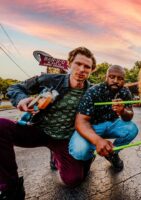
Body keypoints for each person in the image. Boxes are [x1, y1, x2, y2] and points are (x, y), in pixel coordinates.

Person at [0, 47, 96, 199]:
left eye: (87, 67)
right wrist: (21, 99)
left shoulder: (92, 91)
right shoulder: (50, 79)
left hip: (63, 139)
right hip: (38, 130)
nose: (82, 69)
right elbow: (16, 87)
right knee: (1, 126)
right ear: (70, 64)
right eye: (78, 64)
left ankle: (58, 156)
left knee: (73, 180)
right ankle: (11, 187)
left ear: (92, 70)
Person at [69, 65, 139, 172]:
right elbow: (81, 122)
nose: (116, 81)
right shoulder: (93, 91)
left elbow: (129, 115)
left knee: (132, 129)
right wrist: (97, 141)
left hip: (113, 124)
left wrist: (122, 111)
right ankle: (89, 157)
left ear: (124, 80)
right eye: (112, 77)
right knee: (79, 151)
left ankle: (112, 154)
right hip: (92, 126)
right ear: (105, 77)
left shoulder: (125, 92)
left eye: (120, 78)